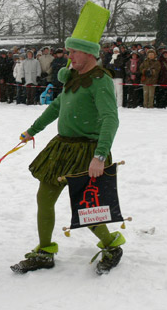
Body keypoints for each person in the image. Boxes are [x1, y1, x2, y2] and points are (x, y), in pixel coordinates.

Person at [11, 33, 124, 276]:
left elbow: (110, 119)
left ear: (89, 54)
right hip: (62, 147)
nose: (69, 56)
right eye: (69, 51)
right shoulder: (75, 77)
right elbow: (57, 106)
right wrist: (33, 130)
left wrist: (100, 156)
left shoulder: (100, 81)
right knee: (45, 198)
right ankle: (44, 251)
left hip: (88, 150)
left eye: (73, 52)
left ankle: (111, 246)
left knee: (87, 208)